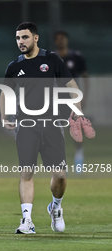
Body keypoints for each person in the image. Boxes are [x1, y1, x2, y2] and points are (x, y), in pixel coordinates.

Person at [1, 22, 85, 234]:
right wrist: (4, 117)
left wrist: (77, 112)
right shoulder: (14, 67)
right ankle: (27, 220)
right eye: (18, 38)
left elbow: (72, 86)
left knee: (60, 175)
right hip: (25, 125)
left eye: (25, 37)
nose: (21, 42)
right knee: (26, 173)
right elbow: (4, 93)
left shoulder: (51, 60)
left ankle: (55, 207)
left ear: (36, 38)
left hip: (51, 124)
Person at [54, 30, 89, 170]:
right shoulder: (52, 58)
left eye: (62, 38)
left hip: (73, 99)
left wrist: (84, 97)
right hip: (57, 99)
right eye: (58, 39)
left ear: (67, 40)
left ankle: (79, 155)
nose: (60, 41)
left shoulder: (76, 57)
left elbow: (85, 77)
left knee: (75, 129)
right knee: (57, 130)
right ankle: (61, 161)